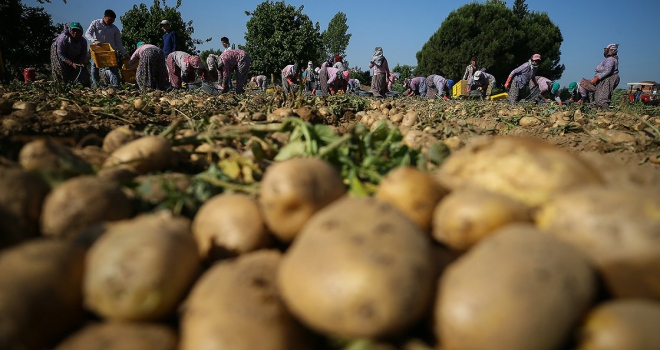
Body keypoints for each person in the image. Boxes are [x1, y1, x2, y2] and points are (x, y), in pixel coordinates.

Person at [85, 9, 129, 88]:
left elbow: (118, 42)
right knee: (94, 67)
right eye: (109, 19)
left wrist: (124, 53)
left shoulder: (115, 29)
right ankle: (96, 85)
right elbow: (88, 33)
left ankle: (116, 86)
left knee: (114, 69)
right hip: (97, 50)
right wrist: (94, 41)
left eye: (113, 20)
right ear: (104, 17)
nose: (111, 22)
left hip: (110, 51)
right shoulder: (96, 23)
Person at [51, 22, 90, 87]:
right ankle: (61, 85)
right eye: (73, 30)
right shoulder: (63, 39)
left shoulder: (83, 41)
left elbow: (83, 54)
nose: (75, 33)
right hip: (59, 52)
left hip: (73, 54)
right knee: (60, 69)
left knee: (80, 70)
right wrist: (71, 63)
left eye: (78, 31)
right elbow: (60, 53)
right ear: (70, 31)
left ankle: (75, 85)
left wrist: (81, 62)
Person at [590, 43, 620, 109]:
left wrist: (597, 78)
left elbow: (607, 71)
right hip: (604, 78)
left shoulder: (611, 60)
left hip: (609, 78)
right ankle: (597, 109)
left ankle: (605, 111)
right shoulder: (608, 59)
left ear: (612, 50)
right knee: (597, 96)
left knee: (603, 96)